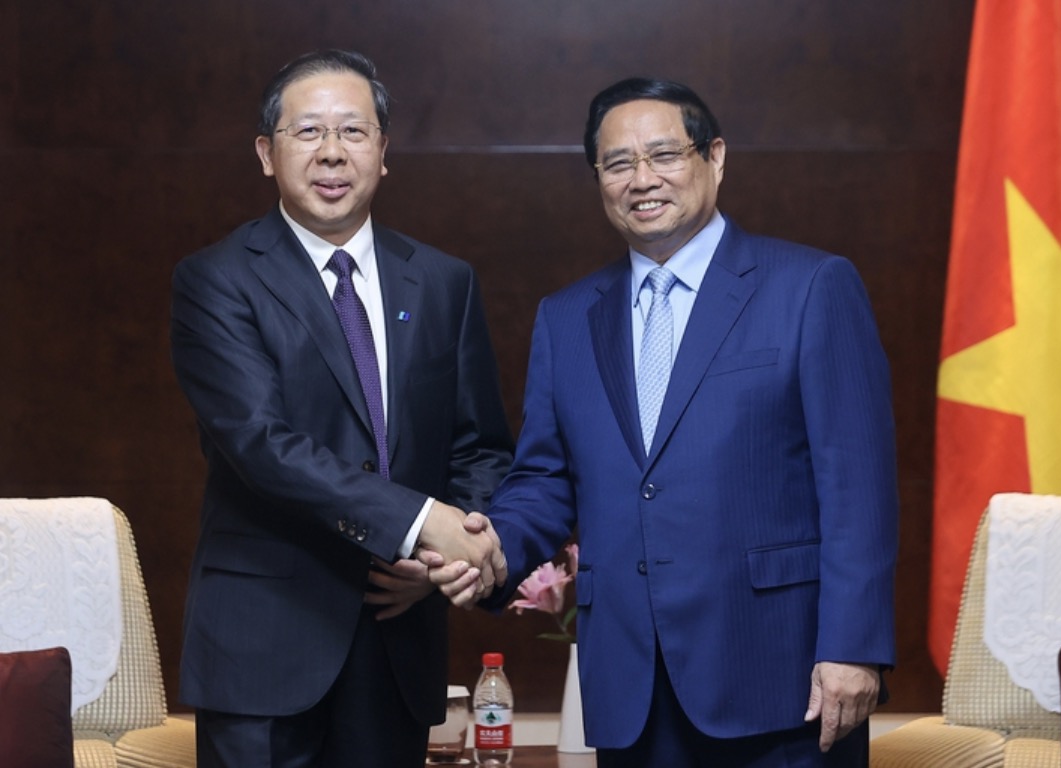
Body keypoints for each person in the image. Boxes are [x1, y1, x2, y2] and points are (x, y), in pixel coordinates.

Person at [429, 77, 899, 767]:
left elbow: (858, 485)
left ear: (714, 157)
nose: (641, 179)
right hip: (632, 689)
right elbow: (545, 481)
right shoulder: (567, 317)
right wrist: (490, 551)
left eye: (664, 155)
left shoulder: (809, 287)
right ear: (598, 178)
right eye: (618, 163)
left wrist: (853, 647)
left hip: (783, 678)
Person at [170, 49, 512, 768]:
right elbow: (261, 443)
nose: (332, 152)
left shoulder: (445, 281)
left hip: (397, 639)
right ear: (267, 153)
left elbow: (479, 445)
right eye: (308, 132)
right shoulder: (216, 280)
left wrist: (443, 561)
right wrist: (419, 525)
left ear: (384, 152)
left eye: (353, 132)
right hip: (266, 646)